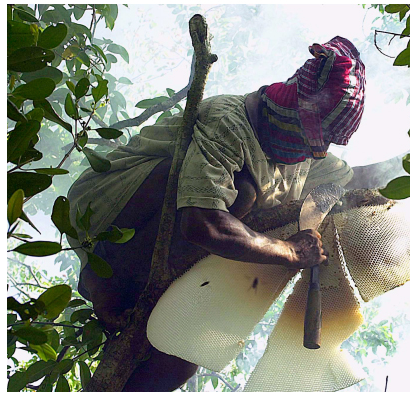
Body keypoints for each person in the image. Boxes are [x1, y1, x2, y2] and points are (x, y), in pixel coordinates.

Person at [67, 36, 366, 391]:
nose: (320, 150)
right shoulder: (230, 120)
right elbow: (201, 223)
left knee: (179, 360)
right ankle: (112, 281)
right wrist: (290, 251)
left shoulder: (307, 162)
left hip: (169, 246)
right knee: (241, 193)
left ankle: (139, 318)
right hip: (107, 213)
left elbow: (358, 182)